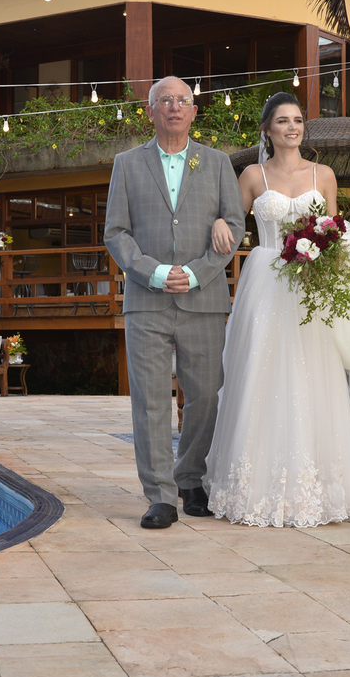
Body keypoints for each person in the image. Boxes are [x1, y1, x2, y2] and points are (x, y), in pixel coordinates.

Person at [204, 92, 350, 528]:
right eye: (282, 121)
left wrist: (329, 262)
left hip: (313, 288)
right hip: (265, 282)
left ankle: (322, 487)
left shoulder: (324, 175)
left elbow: (335, 231)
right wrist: (215, 220)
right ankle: (255, 487)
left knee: (314, 376)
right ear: (267, 129)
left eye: (298, 120)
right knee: (259, 377)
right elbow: (230, 219)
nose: (292, 127)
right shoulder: (251, 174)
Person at [104, 76, 245, 529]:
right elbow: (116, 233)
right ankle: (160, 495)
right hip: (146, 302)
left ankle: (190, 478)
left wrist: (199, 272)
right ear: (150, 111)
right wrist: (157, 273)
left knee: (205, 395)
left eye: (183, 100)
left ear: (194, 111)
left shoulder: (219, 162)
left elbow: (235, 228)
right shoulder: (126, 164)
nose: (174, 107)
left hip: (204, 299)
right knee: (150, 400)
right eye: (165, 100)